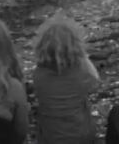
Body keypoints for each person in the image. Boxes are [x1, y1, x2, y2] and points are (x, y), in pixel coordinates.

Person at [32, 14, 100, 144]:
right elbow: (95, 82)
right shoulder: (81, 71)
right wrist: (83, 55)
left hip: (51, 138)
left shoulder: (39, 75)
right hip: (81, 136)